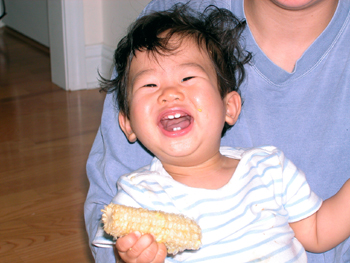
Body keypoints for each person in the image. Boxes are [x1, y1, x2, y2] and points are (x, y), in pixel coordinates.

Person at [84, 0, 350, 262]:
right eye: (150, 85)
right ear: (127, 124)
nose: (170, 93)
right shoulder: (136, 197)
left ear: (230, 107)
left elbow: (316, 231)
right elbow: (120, 252)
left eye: (187, 78)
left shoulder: (270, 167)